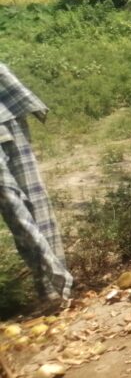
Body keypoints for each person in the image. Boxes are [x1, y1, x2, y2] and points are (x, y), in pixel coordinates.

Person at [0, 63, 73, 308]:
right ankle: (53, 285)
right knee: (14, 209)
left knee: (32, 202)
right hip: (7, 116)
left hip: (6, 115)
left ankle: (55, 287)